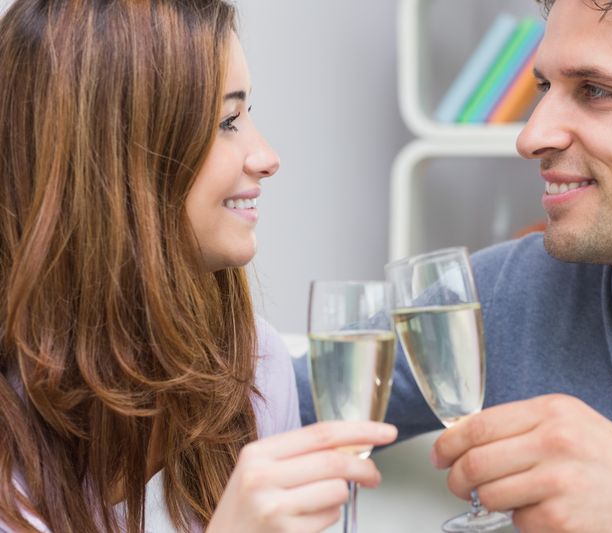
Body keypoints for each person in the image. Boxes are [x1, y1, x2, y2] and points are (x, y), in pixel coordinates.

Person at [295, 0, 612, 531]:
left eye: (595, 91)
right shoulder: (507, 292)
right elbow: (252, 408)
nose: (531, 137)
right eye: (544, 88)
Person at [0, 1, 397, 532]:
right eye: (228, 121)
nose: (267, 156)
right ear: (116, 152)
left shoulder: (256, 367)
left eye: (248, 113)